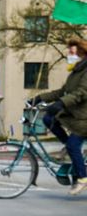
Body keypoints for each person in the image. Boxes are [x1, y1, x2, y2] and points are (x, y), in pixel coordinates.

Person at [32, 37, 87, 195]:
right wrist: (40, 98)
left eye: (72, 50)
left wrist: (61, 103)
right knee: (48, 118)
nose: (69, 53)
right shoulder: (76, 71)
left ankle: (83, 178)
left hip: (84, 118)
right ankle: (68, 147)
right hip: (76, 114)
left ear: (81, 52)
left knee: (73, 145)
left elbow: (81, 93)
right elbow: (62, 91)